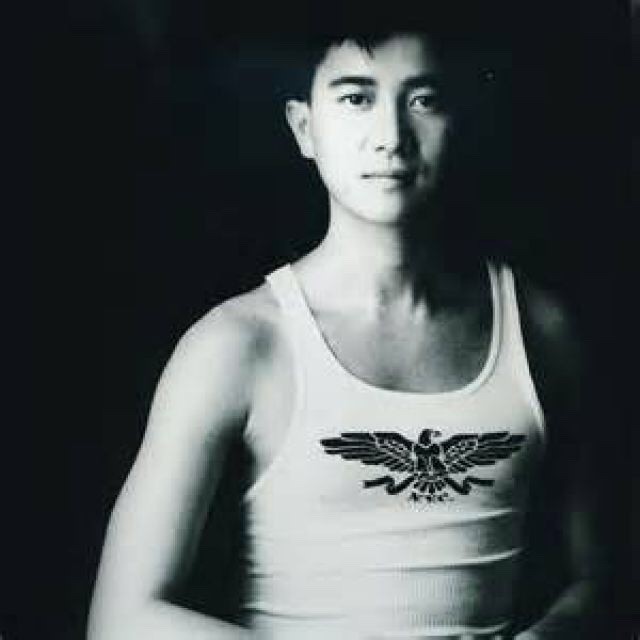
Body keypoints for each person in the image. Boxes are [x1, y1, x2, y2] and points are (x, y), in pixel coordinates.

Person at [87, 29, 606, 640]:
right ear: (305, 128)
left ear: (458, 119)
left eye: (422, 99)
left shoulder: (540, 329)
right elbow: (120, 620)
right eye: (357, 98)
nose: (391, 136)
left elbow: (607, 585)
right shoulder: (238, 344)